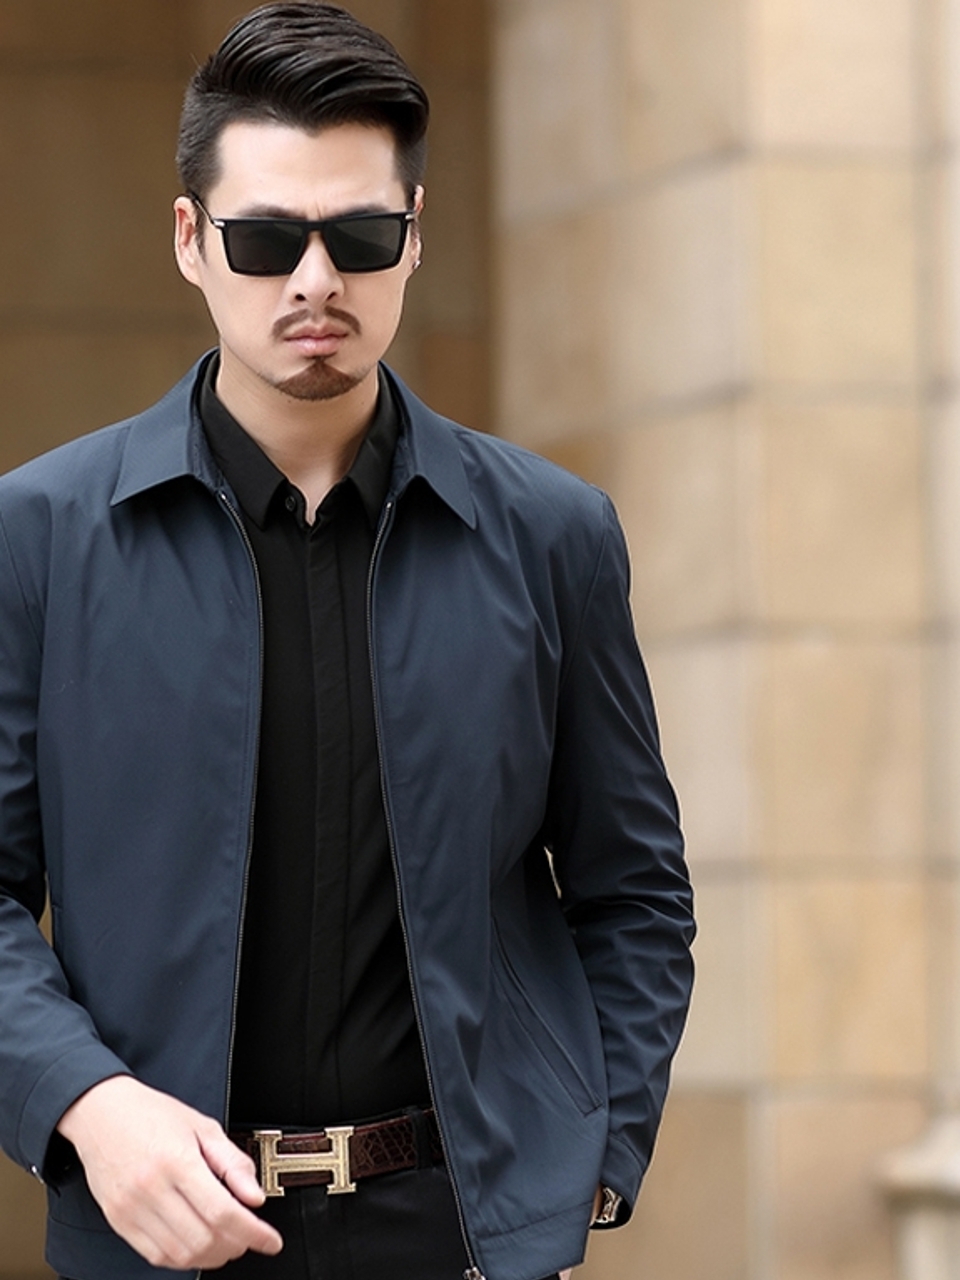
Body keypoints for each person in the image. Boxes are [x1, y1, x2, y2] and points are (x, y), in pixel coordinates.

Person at [0, 5, 695, 1279]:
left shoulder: (553, 534)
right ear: (190, 240)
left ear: (413, 237)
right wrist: (87, 1102)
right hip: (159, 1239)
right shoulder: (37, 536)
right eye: (266, 239)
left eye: (360, 236)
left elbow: (633, 888)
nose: (315, 280)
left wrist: (591, 1160)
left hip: (462, 1239)